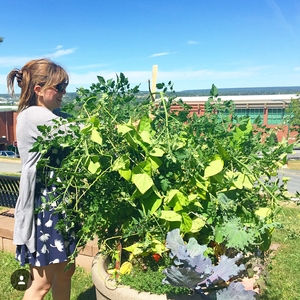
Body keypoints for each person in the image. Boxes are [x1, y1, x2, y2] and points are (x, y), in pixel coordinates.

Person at [7, 58, 77, 300]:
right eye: (58, 87)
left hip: (58, 204)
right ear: (38, 90)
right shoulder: (35, 115)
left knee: (66, 271)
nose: (63, 92)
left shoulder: (53, 113)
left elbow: (79, 125)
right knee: (41, 283)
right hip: (44, 208)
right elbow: (80, 134)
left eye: (65, 86)